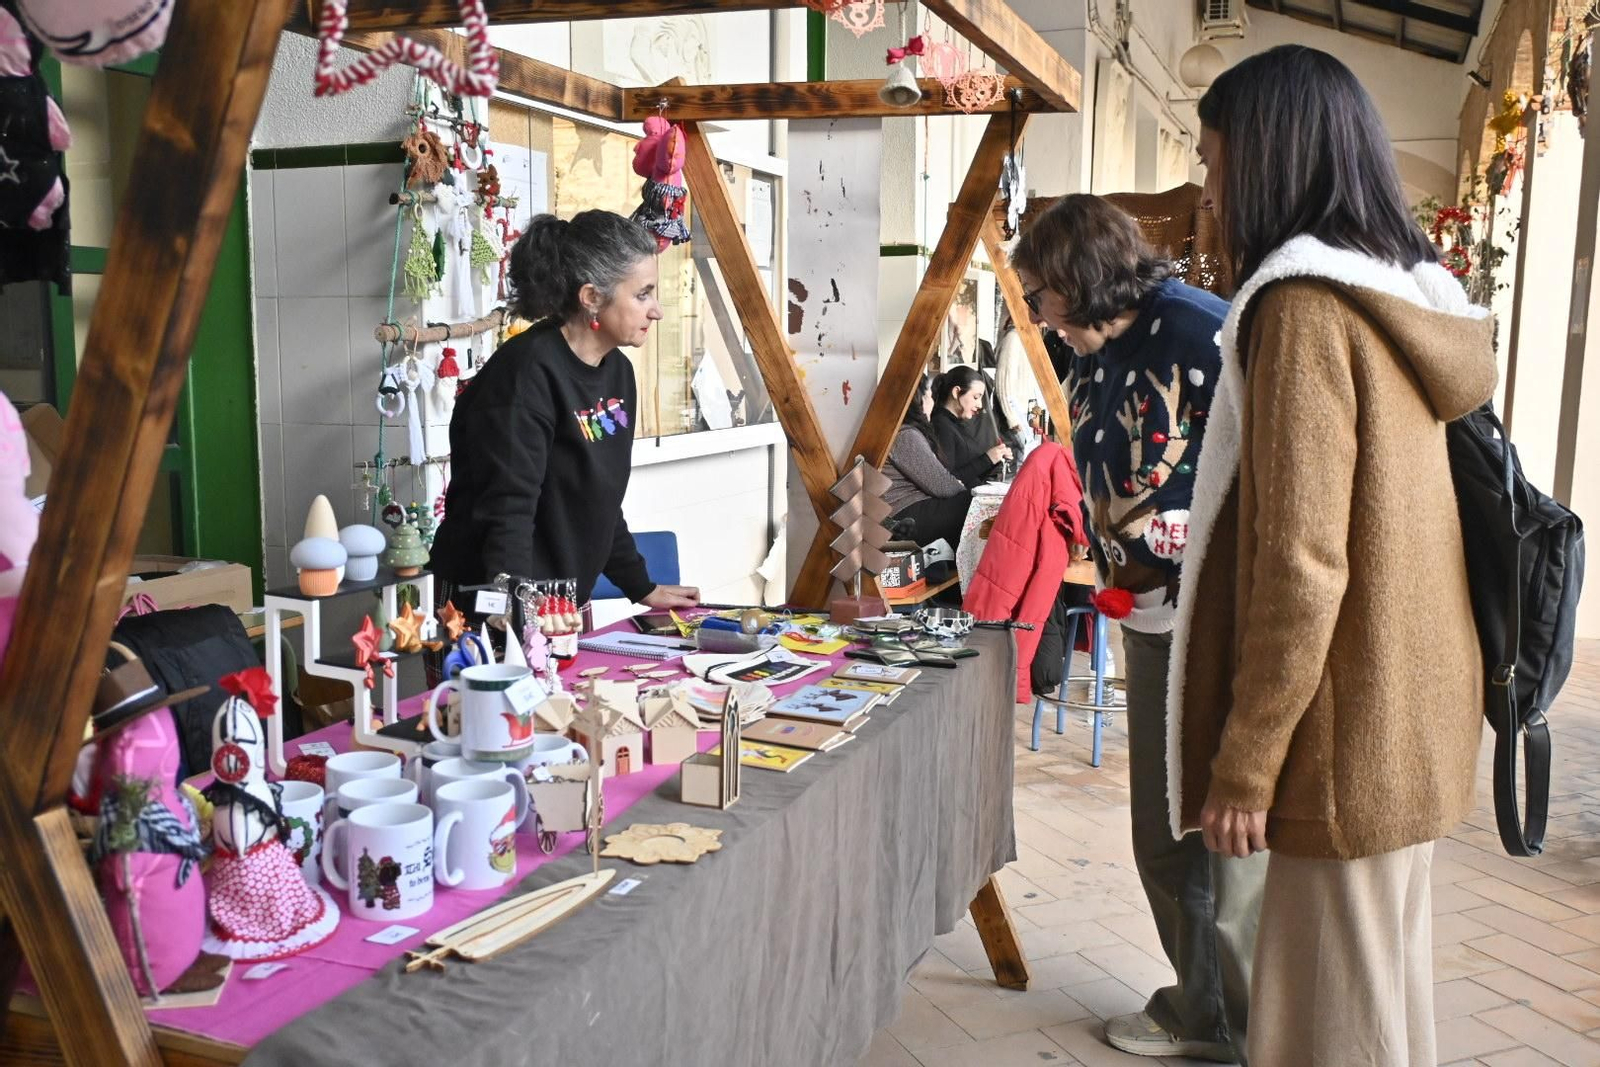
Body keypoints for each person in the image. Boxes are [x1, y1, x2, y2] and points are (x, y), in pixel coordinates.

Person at [1173, 45, 1496, 1067]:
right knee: (1382, 1008)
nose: (1207, 183)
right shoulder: (1399, 295)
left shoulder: (1306, 310)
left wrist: (1246, 758)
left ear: (1268, 155)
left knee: (1325, 1032)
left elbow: (1303, 562)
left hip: (1338, 733)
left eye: (1213, 153)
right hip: (1406, 711)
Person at [1010, 194, 1260, 1063]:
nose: (1037, 314)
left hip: (1216, 622)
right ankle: (1202, 1008)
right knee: (1160, 831)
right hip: (1147, 614)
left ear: (1078, 280)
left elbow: (1275, 463)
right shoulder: (1095, 346)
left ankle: (1247, 1024)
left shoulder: (1205, 330)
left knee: (1225, 837)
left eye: (1041, 294)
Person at [431, 210, 701, 613]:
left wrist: (640, 585)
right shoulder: (525, 376)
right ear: (591, 298)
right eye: (642, 294)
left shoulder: (617, 373)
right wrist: (517, 612)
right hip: (489, 601)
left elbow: (600, 498)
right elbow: (507, 510)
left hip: (560, 601)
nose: (656, 310)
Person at [884, 374, 972, 551]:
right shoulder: (904, 435)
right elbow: (942, 486)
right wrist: (960, 487)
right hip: (905, 516)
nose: (932, 402)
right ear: (918, 400)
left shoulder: (897, 432)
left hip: (907, 513)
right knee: (980, 503)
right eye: (929, 396)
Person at [929, 364, 1012, 488]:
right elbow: (947, 480)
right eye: (976, 397)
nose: (979, 405)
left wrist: (996, 459)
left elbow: (970, 473)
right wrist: (987, 459)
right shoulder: (941, 425)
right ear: (956, 392)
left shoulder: (956, 424)